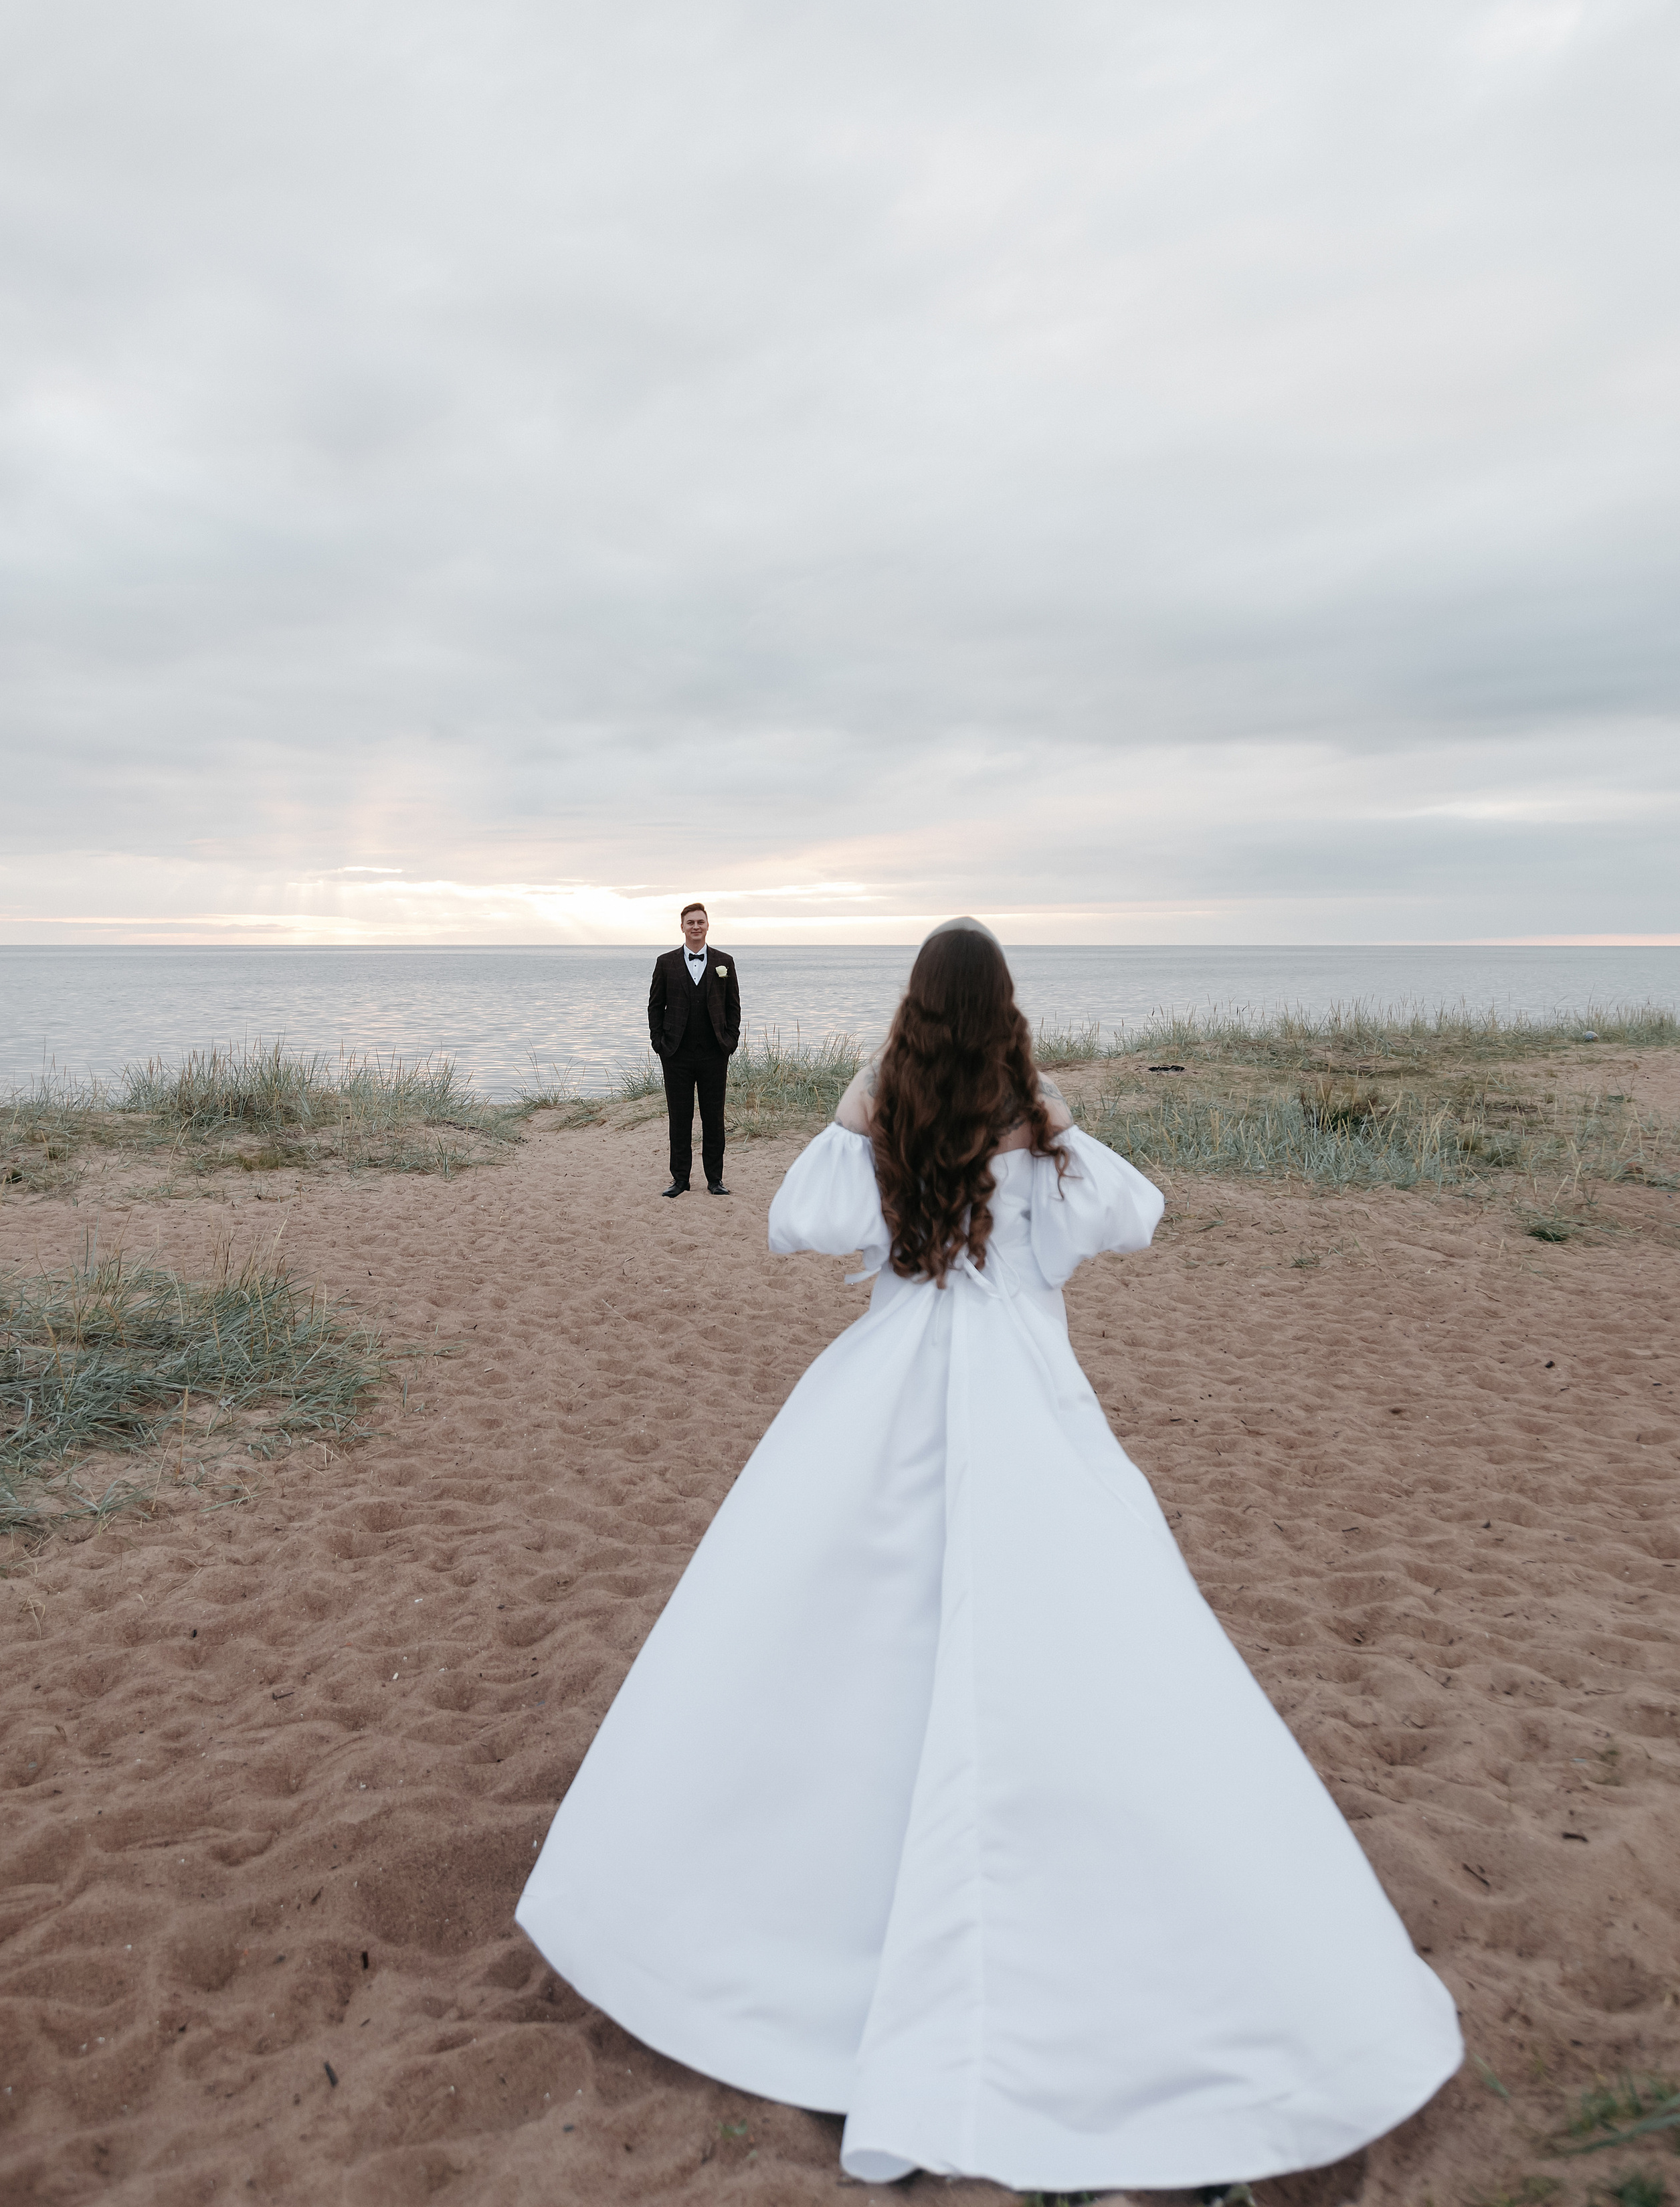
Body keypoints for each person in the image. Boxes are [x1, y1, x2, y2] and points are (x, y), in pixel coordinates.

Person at [518, 919, 1461, 2190]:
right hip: (1024, 1393)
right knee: (1072, 1638)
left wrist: (861, 1102)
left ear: (911, 1016)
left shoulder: (890, 1130)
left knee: (844, 1640)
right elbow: (1137, 1213)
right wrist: (1049, 1110)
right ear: (1008, 1017)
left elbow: (794, 1220)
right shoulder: (1039, 1147)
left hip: (893, 1385)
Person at [646, 901, 741, 1197]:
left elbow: (733, 1006)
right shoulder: (666, 962)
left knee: (714, 1119)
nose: (696, 927)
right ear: (682, 927)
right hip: (676, 1054)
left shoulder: (725, 961)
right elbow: (655, 1006)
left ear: (708, 925)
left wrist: (730, 1041)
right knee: (680, 1118)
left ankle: (715, 1180)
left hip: (714, 1053)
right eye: (691, 922)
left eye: (700, 922)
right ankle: (680, 1180)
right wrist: (659, 1043)